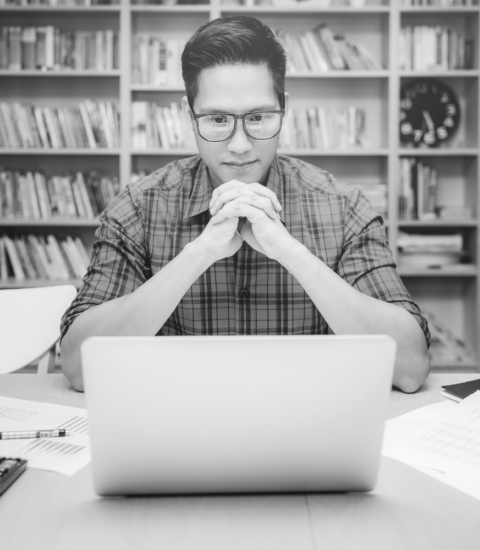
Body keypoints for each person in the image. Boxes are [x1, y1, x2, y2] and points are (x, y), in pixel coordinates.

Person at [60, 16, 430, 393]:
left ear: (283, 109)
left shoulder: (344, 207)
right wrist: (199, 253)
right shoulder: (138, 207)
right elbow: (77, 367)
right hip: (178, 427)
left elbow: (410, 368)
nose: (239, 145)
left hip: (307, 428)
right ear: (189, 114)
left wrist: (290, 251)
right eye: (218, 119)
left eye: (257, 117)